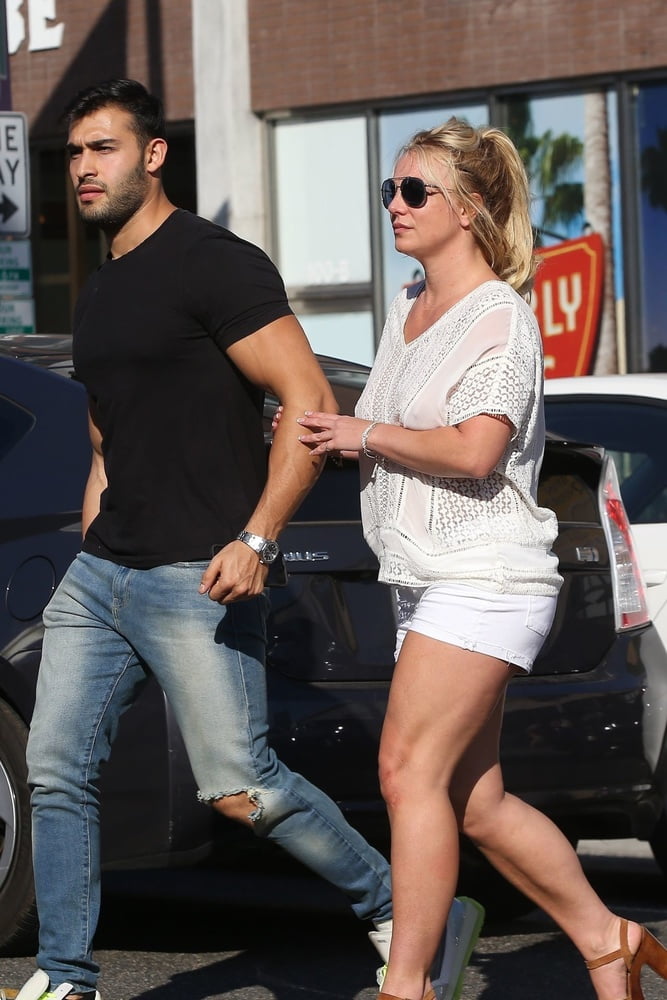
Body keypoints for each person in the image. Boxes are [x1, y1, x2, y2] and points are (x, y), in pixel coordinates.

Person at [1, 81, 481, 1000]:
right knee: (56, 769)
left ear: (153, 155)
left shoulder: (214, 263)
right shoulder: (100, 291)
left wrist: (256, 541)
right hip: (103, 573)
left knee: (240, 786)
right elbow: (104, 437)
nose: (85, 168)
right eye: (75, 153)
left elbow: (308, 399)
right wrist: (93, 541)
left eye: (104, 148)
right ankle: (66, 976)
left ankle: (407, 910)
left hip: (201, 572)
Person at [293, 117, 667, 1000]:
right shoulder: (408, 308)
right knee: (474, 800)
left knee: (405, 772)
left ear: (466, 209)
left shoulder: (500, 316)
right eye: (388, 189)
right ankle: (607, 939)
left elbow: (473, 450)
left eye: (412, 190)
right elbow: (390, 427)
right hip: (425, 579)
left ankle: (408, 986)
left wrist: (361, 433)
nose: (393, 204)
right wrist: (325, 427)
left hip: (485, 573)